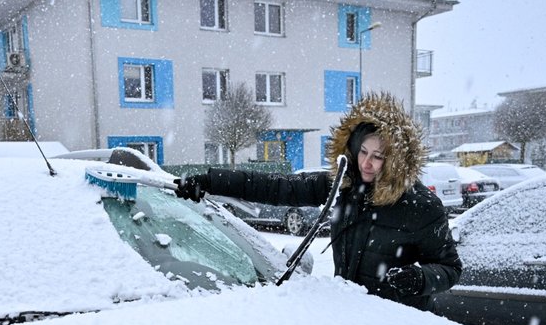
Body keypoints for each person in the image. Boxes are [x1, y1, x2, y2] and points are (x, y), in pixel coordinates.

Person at [176, 91, 461, 311]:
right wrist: (210, 182)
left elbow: (450, 268)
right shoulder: (342, 186)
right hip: (352, 317)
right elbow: (275, 187)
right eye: (363, 152)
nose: (367, 163)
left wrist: (420, 278)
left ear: (396, 160)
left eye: (379, 156)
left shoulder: (421, 206)